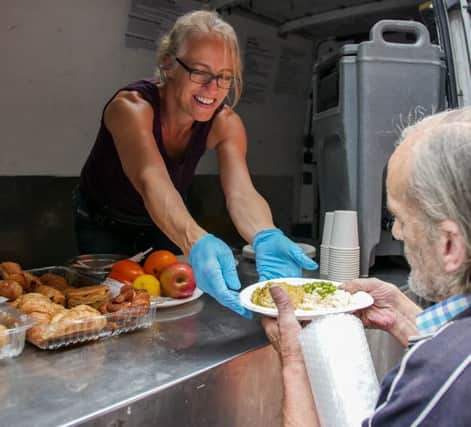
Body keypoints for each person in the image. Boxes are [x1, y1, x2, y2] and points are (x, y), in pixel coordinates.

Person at [74, 10, 317, 317]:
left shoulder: (226, 123)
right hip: (103, 224)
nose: (213, 88)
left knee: (170, 310)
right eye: (200, 72)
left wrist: (265, 234)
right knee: (108, 309)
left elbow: (241, 192)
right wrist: (196, 239)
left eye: (225, 77)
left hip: (165, 221)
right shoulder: (131, 108)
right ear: (168, 62)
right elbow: (151, 178)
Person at [262, 107, 471, 426]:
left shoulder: (440, 381)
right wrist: (403, 318)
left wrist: (294, 359)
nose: (397, 233)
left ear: (449, 244)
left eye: (399, 219)